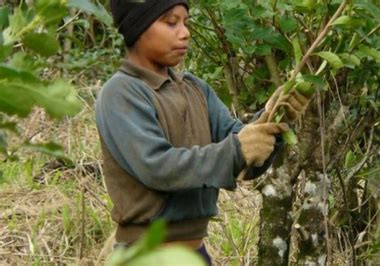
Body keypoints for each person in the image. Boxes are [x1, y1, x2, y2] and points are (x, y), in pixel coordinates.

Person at [95, 0, 311, 264]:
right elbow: (158, 167)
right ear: (137, 27)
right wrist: (238, 149)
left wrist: (274, 118)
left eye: (186, 22)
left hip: (195, 253)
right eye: (171, 22)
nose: (184, 32)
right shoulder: (121, 92)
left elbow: (242, 152)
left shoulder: (195, 88)